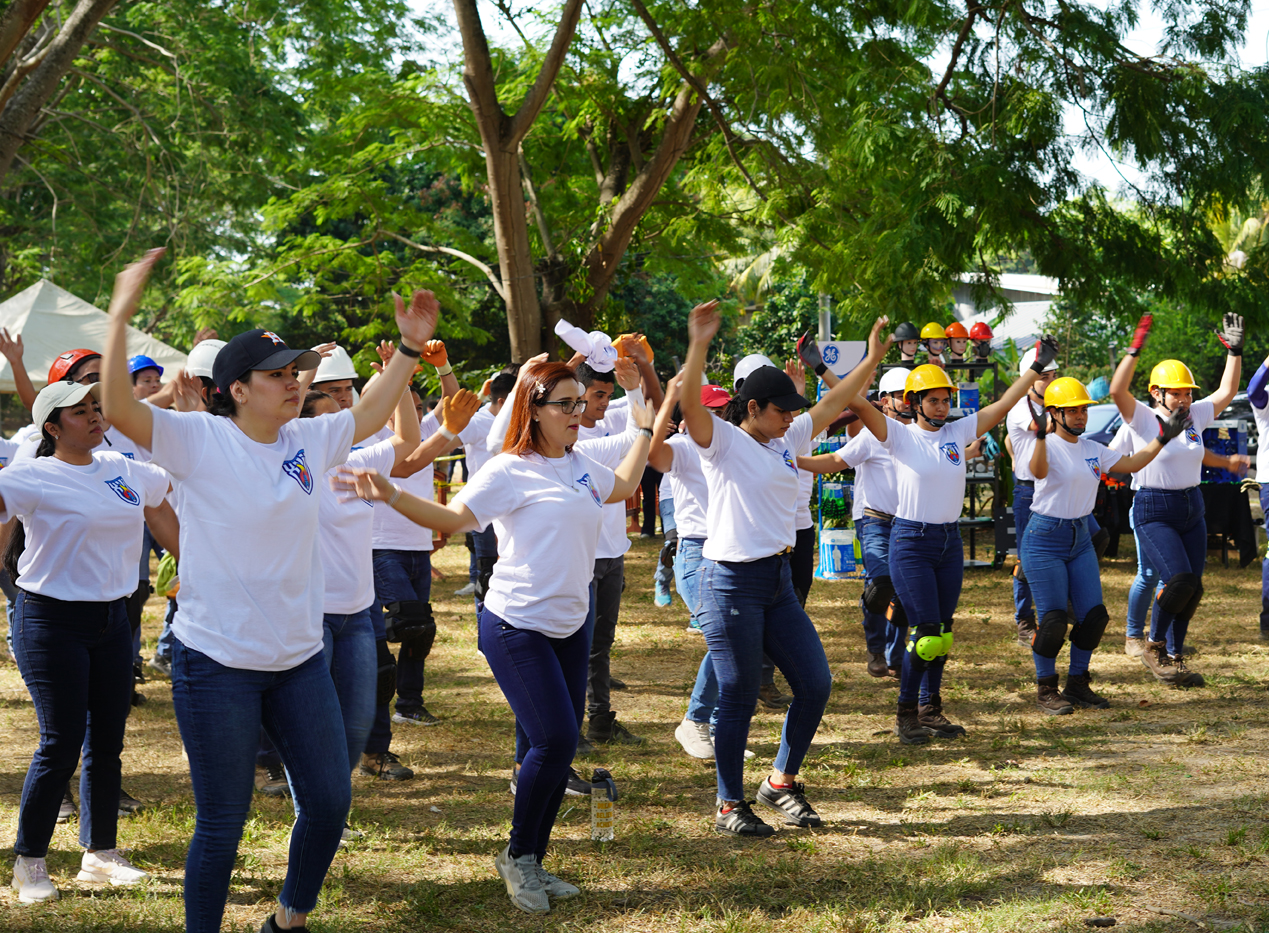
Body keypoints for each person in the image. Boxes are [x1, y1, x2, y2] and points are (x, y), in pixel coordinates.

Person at [101, 247, 438, 933]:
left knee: (327, 798)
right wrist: (120, 314)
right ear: (236, 389)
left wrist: (406, 348)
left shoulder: (306, 440)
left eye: (294, 372)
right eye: (276, 375)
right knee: (222, 823)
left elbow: (372, 414)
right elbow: (114, 407)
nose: (292, 383)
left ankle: (287, 918)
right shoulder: (198, 440)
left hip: (297, 658)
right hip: (216, 662)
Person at [332, 359, 655, 913]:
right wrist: (389, 495)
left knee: (549, 746)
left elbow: (624, 484)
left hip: (570, 623)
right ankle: (518, 856)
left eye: (582, 403)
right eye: (567, 405)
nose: (580, 413)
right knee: (555, 742)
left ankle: (532, 856)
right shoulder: (508, 469)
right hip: (515, 624)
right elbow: (452, 519)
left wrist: (645, 427)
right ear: (534, 409)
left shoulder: (579, 465)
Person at [680, 302, 883, 837]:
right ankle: (728, 803)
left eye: (794, 412)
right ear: (751, 407)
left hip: (776, 582)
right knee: (740, 693)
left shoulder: (784, 440)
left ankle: (780, 782)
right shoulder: (722, 444)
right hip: (729, 584)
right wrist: (698, 344)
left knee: (815, 684)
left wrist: (873, 361)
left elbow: (836, 400)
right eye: (782, 410)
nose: (793, 417)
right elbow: (689, 406)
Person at [3, 380, 177, 902]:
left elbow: (168, 523)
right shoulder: (28, 476)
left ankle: (100, 854)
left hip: (113, 621)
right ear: (52, 428)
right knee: (59, 742)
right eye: (79, 412)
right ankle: (29, 862)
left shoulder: (127, 470)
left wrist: (199, 568)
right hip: (49, 620)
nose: (95, 416)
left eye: (96, 407)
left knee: (107, 739)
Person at [848, 330, 1061, 745]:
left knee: (942, 632)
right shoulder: (899, 435)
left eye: (945, 400)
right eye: (933, 400)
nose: (942, 406)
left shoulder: (956, 433)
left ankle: (931, 708)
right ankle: (906, 713)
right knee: (925, 633)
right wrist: (831, 366)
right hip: (910, 542)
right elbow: (853, 399)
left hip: (948, 543)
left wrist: (1037, 364)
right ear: (914, 404)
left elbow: (1002, 404)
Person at [302, 380, 479, 832]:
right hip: (310, 614)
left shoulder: (356, 461)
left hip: (360, 614)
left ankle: (332, 810)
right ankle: (316, 817)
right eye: (325, 419)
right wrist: (301, 378)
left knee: (357, 714)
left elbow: (407, 444)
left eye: (339, 418)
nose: (337, 425)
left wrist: (396, 377)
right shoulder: (288, 467)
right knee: (314, 718)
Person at [1016, 377, 1184, 714]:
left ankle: (1077, 683)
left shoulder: (1093, 449)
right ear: (1054, 414)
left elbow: (1133, 464)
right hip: (1044, 539)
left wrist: (1164, 437)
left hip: (1080, 538)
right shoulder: (1043, 445)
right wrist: (1038, 437)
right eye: (1072, 410)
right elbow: (1037, 470)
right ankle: (1046, 688)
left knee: (1094, 616)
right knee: (1051, 622)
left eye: (1083, 410)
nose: (1081, 416)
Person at [1108, 313, 1243, 686]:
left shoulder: (1194, 417)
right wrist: (1134, 350)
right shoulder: (1142, 419)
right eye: (1177, 392)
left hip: (1191, 506)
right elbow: (1118, 392)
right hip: (1154, 508)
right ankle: (1152, 646)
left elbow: (1227, 392)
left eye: (1188, 392)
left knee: (1193, 588)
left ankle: (1174, 656)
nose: (1185, 398)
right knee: (1178, 580)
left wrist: (1235, 352)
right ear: (1157, 393)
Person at [648, 376, 754, 760]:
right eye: (712, 411)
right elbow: (652, 454)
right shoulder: (682, 446)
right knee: (724, 639)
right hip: (696, 554)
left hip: (733, 552)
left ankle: (721, 730)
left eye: (725, 410)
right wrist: (667, 404)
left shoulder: (731, 446)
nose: (720, 417)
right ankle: (695, 722)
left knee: (740, 643)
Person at [799, 365, 910, 679]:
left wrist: (970, 452)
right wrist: (795, 460)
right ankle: (876, 648)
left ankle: (896, 655)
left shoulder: (919, 434)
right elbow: (836, 460)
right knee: (882, 581)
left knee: (903, 589)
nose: (907, 401)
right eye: (900, 396)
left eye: (911, 396)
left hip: (908, 522)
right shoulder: (871, 435)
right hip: (873, 518)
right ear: (884, 400)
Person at [572, 356, 647, 746]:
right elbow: (640, 431)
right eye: (598, 394)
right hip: (582, 559)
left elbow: (638, 424)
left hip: (612, 554)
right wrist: (634, 386)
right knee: (576, 645)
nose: (604, 402)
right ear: (576, 395)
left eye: (608, 394)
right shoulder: (574, 444)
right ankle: (572, 726)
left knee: (599, 646)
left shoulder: (602, 431)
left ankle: (600, 721)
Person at [1004, 347, 1059, 647]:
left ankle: (1063, 605)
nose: (1051, 382)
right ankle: (1024, 620)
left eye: (1055, 376)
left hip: (1052, 487)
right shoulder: (1021, 407)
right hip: (1028, 491)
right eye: (1044, 377)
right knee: (1027, 557)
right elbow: (1047, 427)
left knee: (1091, 538)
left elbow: (1009, 441)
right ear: (1029, 380)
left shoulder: (1052, 404)